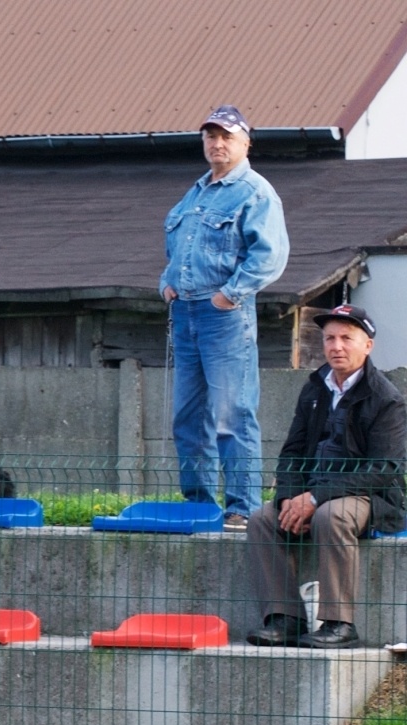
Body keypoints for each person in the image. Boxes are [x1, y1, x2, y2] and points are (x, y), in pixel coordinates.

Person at [160, 104, 289, 529]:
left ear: (246, 143)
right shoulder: (196, 192)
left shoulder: (256, 192)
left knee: (232, 415)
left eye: (227, 137)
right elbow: (177, 250)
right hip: (185, 313)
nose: (218, 143)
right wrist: (167, 283)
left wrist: (229, 295)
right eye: (211, 136)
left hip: (224, 317)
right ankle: (198, 503)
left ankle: (243, 508)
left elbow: (270, 256)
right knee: (187, 417)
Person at [246, 305, 404, 649]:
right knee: (261, 519)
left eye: (347, 338)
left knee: (331, 516)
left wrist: (316, 498)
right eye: (329, 338)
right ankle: (285, 618)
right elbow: (292, 452)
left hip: (369, 499)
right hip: (311, 492)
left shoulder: (386, 399)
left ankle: (339, 624)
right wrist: (289, 498)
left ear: (368, 346)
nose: (336, 346)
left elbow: (385, 469)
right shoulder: (314, 388)